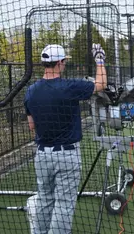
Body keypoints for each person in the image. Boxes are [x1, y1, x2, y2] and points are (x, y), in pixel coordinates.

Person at [24, 43, 107, 234]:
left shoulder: (31, 91)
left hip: (42, 155)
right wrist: (100, 60)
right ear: (60, 63)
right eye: (64, 62)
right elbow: (101, 84)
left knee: (44, 199)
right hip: (67, 155)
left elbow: (31, 125)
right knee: (63, 203)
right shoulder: (69, 87)